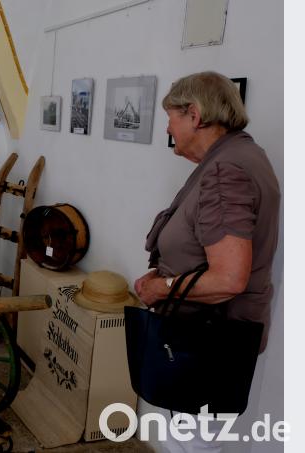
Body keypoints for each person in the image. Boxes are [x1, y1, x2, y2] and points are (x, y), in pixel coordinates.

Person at [134, 71, 280, 452]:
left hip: (206, 341)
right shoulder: (241, 154)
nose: (169, 127)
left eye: (172, 117)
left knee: (193, 446)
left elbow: (229, 279)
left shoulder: (225, 171)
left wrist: (158, 287)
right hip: (210, 339)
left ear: (195, 116)